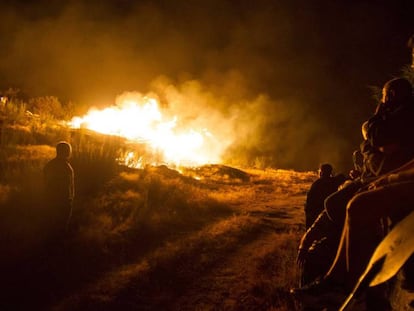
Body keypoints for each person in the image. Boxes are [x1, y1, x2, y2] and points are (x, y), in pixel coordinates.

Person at [292, 77, 414, 307]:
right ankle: (336, 281)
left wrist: (373, 152)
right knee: (345, 203)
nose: (384, 101)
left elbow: (385, 148)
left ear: (393, 96)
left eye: (386, 97)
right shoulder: (394, 116)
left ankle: (350, 287)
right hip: (386, 176)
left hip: (395, 180)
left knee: (355, 204)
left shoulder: (405, 115)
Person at [43, 141, 75, 235]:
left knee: (53, 223)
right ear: (66, 152)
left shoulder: (49, 165)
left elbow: (45, 181)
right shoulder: (66, 167)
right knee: (62, 224)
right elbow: (69, 185)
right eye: (68, 150)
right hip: (63, 199)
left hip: (52, 198)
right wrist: (71, 198)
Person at [304, 163, 341, 229]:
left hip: (318, 213)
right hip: (331, 214)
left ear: (321, 172)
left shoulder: (317, 184)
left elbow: (309, 203)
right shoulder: (335, 182)